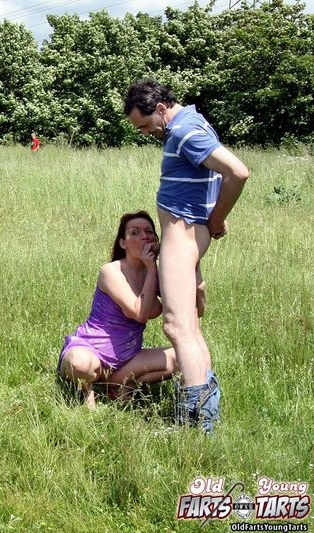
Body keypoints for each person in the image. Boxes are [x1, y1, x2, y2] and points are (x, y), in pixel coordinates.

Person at [123, 79, 249, 433]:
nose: (146, 133)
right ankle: (207, 413)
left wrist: (218, 218)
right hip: (182, 235)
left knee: (177, 327)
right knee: (190, 326)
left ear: (161, 108)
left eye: (146, 125)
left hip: (183, 234)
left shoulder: (184, 130)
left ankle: (195, 422)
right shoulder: (189, 123)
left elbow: (237, 172)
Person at [58, 211, 177, 409]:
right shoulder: (111, 271)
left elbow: (192, 309)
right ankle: (88, 392)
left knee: (183, 358)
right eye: (135, 232)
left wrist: (193, 273)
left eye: (149, 232)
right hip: (91, 352)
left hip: (128, 359)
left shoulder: (153, 275)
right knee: (78, 363)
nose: (144, 236)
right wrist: (151, 268)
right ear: (123, 243)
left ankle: (120, 384)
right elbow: (138, 314)